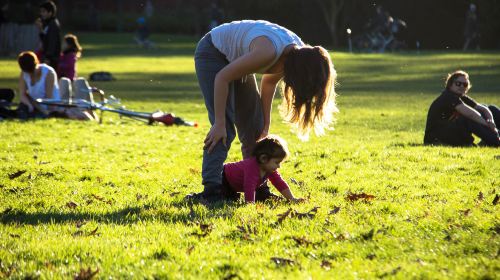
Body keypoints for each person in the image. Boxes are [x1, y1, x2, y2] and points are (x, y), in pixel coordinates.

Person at [192, 20, 338, 202]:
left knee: (255, 129)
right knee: (224, 131)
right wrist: (219, 122)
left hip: (234, 58)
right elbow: (222, 77)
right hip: (213, 53)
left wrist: (265, 124)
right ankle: (211, 191)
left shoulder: (295, 56)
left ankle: (259, 188)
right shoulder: (269, 52)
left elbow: (268, 83)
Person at [215, 135, 303, 203]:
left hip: (233, 185)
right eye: (277, 162)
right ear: (263, 158)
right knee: (220, 199)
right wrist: (250, 205)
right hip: (223, 177)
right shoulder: (252, 168)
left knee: (232, 199)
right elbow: (249, 187)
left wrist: (292, 199)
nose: (279, 166)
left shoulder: (269, 168)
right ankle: (205, 197)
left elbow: (279, 182)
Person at [424, 70, 499, 147]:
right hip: (436, 137)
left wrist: (491, 120)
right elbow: (471, 114)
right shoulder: (448, 96)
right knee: (468, 117)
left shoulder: (460, 96)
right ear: (450, 84)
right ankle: (496, 141)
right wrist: (489, 125)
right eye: (458, 83)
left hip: (452, 131)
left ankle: (491, 139)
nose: (462, 86)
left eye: (465, 84)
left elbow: (484, 109)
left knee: (491, 108)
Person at [17, 51, 60, 118]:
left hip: (47, 107)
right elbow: (22, 94)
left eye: (32, 72)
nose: (30, 75)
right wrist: (29, 105)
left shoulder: (48, 72)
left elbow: (49, 98)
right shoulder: (24, 73)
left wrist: (47, 113)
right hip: (33, 105)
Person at [36, 1, 61, 70]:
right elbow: (45, 40)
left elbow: (52, 42)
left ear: (50, 12)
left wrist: (48, 58)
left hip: (51, 59)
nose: (41, 14)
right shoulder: (48, 24)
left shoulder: (53, 24)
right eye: (41, 12)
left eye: (44, 11)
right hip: (47, 57)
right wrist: (40, 29)